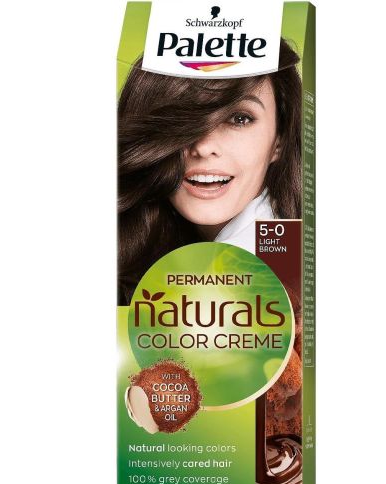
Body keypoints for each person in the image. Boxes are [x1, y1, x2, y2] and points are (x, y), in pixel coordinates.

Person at [118, 39, 302, 305]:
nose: (204, 147)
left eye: (239, 119)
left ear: (278, 141)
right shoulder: (136, 239)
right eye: (180, 116)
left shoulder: (275, 273)